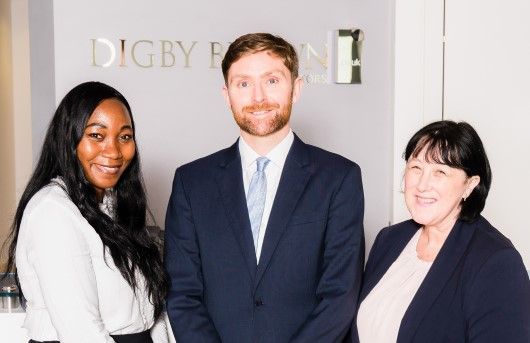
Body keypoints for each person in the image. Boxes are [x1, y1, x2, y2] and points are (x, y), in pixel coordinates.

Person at [164, 33, 365, 342]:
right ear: (226, 94)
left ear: (296, 89)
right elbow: (183, 294)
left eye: (272, 81)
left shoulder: (339, 178)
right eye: (243, 84)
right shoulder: (192, 183)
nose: (258, 97)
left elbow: (340, 297)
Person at [3, 81, 168, 343]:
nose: (113, 151)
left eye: (124, 137)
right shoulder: (53, 212)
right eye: (96, 135)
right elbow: (81, 332)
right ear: (69, 139)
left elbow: (151, 315)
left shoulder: (113, 208)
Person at [355, 120, 530, 342]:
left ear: (470, 185)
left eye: (440, 172)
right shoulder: (389, 240)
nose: (423, 185)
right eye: (416, 167)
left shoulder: (497, 262)